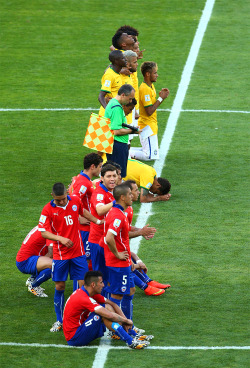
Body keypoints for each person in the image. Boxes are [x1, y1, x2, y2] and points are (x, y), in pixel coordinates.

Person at [38, 182, 102, 332]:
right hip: (60, 255)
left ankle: (81, 318)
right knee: (60, 286)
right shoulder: (47, 210)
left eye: (63, 198)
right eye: (58, 199)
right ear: (52, 196)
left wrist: (97, 221)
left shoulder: (75, 200)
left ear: (67, 193)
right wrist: (60, 239)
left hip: (78, 253)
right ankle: (59, 320)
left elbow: (83, 211)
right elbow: (43, 232)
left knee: (83, 288)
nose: (62, 201)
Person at [63, 271, 150, 349]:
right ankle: (130, 341)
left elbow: (112, 304)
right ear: (93, 284)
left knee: (106, 306)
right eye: (101, 282)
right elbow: (109, 315)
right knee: (102, 314)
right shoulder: (83, 298)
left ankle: (130, 333)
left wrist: (126, 321)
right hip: (74, 338)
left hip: (81, 329)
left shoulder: (88, 292)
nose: (103, 285)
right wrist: (126, 321)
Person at [104, 183, 148, 335]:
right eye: (129, 194)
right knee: (116, 297)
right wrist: (117, 254)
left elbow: (122, 235)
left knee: (130, 291)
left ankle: (129, 325)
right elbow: (108, 238)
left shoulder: (120, 212)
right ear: (122, 197)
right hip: (117, 264)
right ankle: (114, 329)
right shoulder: (116, 215)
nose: (132, 196)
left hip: (123, 262)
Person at [124, 180, 171, 295]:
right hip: (106, 247)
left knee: (128, 261)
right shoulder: (119, 212)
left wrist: (138, 260)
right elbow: (117, 236)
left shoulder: (127, 208)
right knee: (125, 267)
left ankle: (148, 282)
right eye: (135, 191)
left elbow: (124, 231)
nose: (139, 193)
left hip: (118, 246)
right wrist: (141, 233)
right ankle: (145, 287)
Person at [129, 61, 170, 161]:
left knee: (153, 153)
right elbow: (149, 111)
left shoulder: (150, 86)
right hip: (147, 127)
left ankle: (127, 150)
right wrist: (161, 98)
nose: (157, 75)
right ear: (148, 74)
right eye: (155, 73)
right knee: (150, 156)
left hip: (150, 125)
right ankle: (126, 152)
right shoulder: (144, 89)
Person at [68, 153, 103, 266]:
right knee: (85, 259)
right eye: (100, 166)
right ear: (93, 166)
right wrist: (79, 218)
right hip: (85, 228)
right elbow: (72, 202)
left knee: (86, 258)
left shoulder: (81, 179)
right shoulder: (83, 183)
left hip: (87, 227)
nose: (100, 169)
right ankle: (82, 284)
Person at [88, 164, 117, 286]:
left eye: (114, 176)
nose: (112, 179)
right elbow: (99, 210)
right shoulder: (99, 193)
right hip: (98, 241)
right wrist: (117, 202)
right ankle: (101, 301)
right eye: (109, 176)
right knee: (101, 276)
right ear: (102, 178)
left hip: (107, 239)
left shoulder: (111, 191)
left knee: (109, 274)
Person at [105, 84, 139, 178]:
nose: (130, 101)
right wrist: (132, 131)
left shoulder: (112, 103)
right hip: (118, 145)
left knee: (113, 174)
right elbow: (116, 131)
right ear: (123, 95)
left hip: (114, 144)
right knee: (118, 176)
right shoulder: (117, 108)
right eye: (130, 98)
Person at [16, 225, 53, 298]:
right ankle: (34, 286)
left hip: (25, 259)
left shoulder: (44, 225)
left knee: (56, 260)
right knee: (56, 265)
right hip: (25, 262)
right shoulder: (49, 229)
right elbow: (51, 252)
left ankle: (32, 279)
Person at [98, 50, 127, 117]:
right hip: (108, 115)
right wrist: (108, 110)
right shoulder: (109, 75)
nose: (125, 60)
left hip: (115, 111)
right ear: (116, 61)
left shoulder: (117, 73)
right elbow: (101, 96)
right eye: (123, 58)